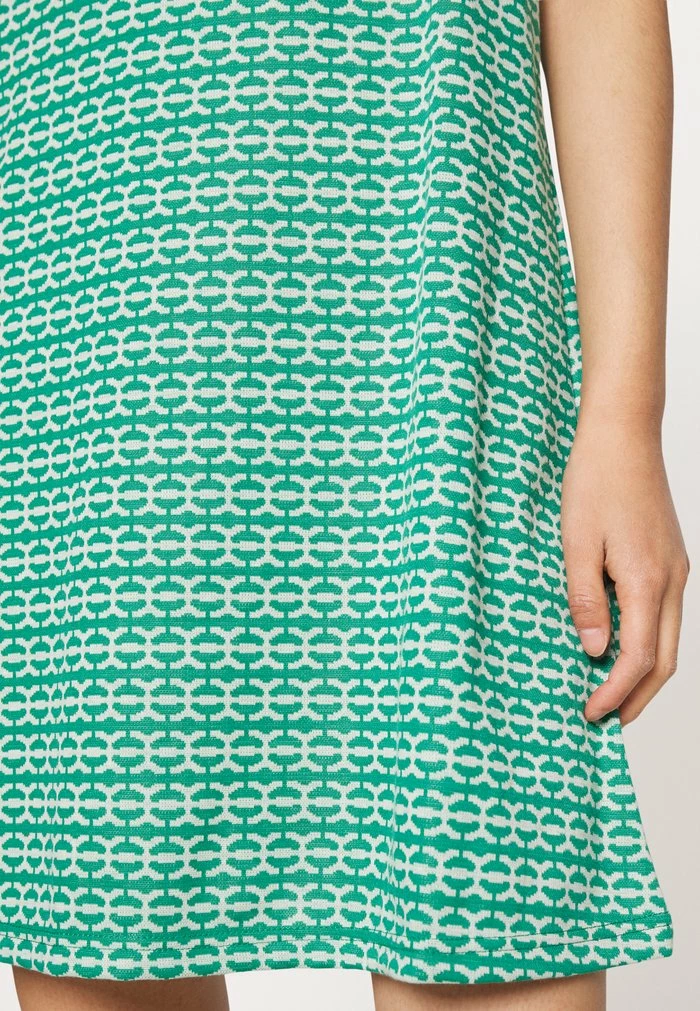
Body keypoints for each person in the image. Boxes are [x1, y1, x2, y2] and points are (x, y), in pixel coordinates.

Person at [0, 1, 688, 1010]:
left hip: (441, 333)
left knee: (483, 902)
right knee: (105, 920)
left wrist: (626, 415)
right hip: (91, 326)